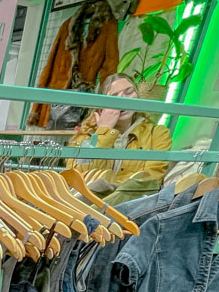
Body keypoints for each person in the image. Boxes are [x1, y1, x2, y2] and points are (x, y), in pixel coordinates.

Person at [69, 72, 173, 205]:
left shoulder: (157, 134)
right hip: (87, 203)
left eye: (129, 91)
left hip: (131, 205)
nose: (123, 98)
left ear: (137, 96)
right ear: (102, 106)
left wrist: (110, 188)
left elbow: (151, 179)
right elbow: (78, 176)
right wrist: (104, 131)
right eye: (114, 96)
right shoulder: (86, 134)